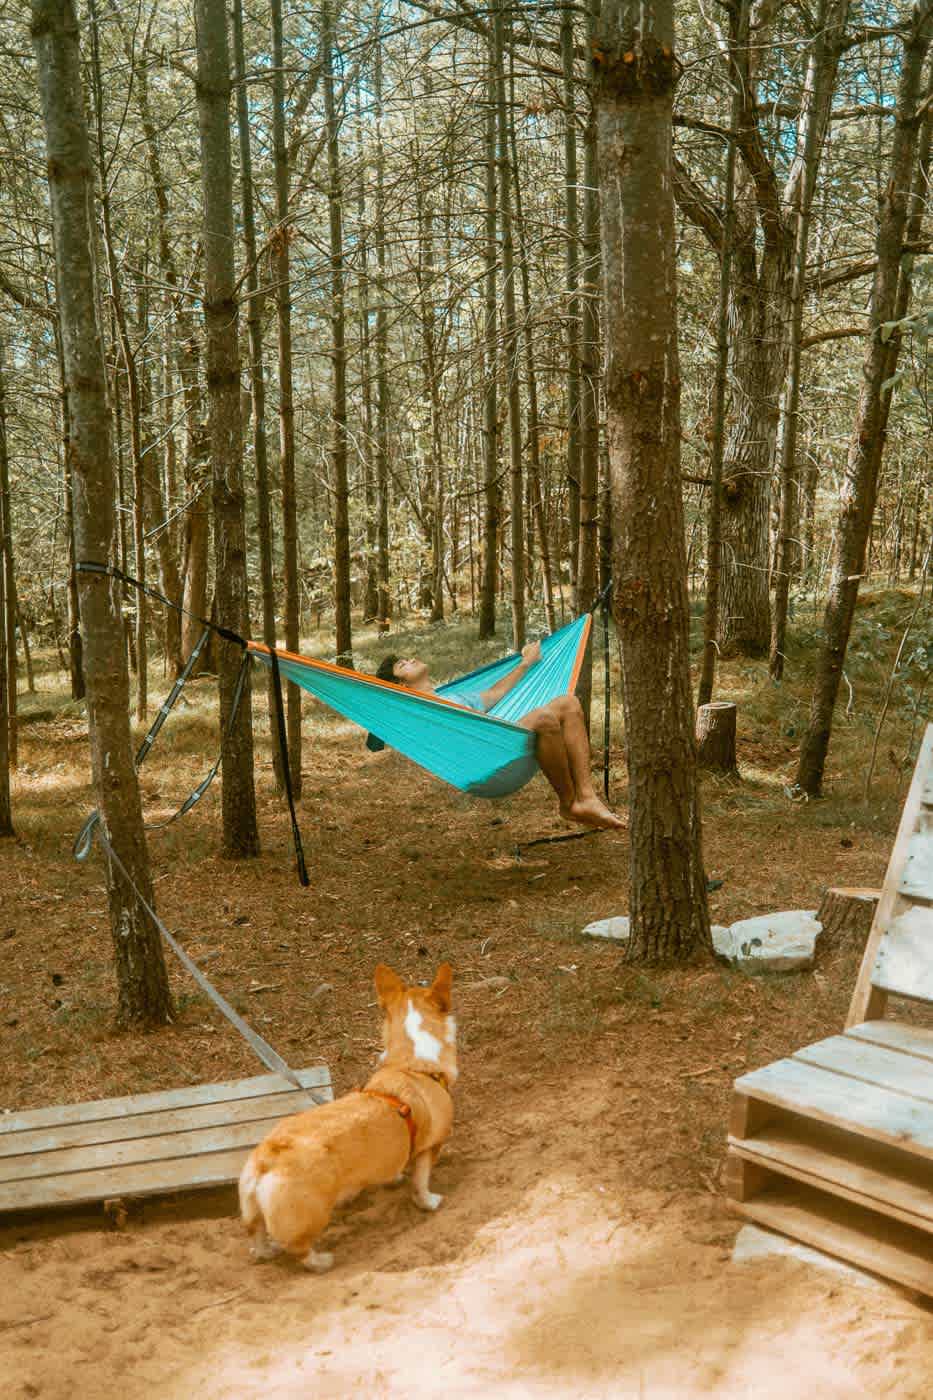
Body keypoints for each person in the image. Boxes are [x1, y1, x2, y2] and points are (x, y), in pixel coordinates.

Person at [375, 642, 624, 831]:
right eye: (402, 664)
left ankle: (587, 796)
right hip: (484, 765)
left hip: (503, 744)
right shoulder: (417, 710)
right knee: (543, 718)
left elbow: (495, 693)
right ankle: (570, 804)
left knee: (568, 703)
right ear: (401, 687)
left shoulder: (454, 697)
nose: (411, 659)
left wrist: (526, 662)